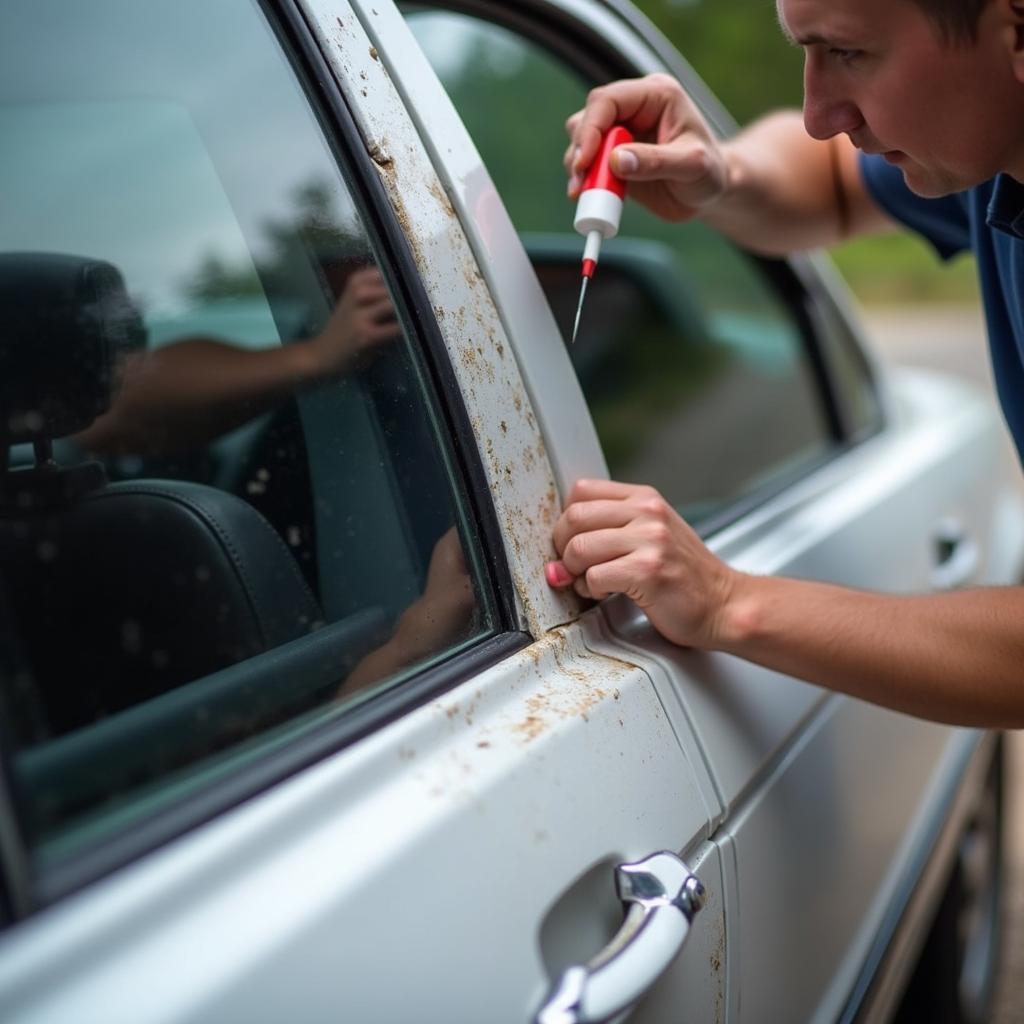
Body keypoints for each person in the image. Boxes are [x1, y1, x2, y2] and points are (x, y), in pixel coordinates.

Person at [545, 0, 1024, 727]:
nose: (818, 112)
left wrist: (726, 601)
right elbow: (831, 182)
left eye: (847, 53)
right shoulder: (992, 148)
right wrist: (719, 174)